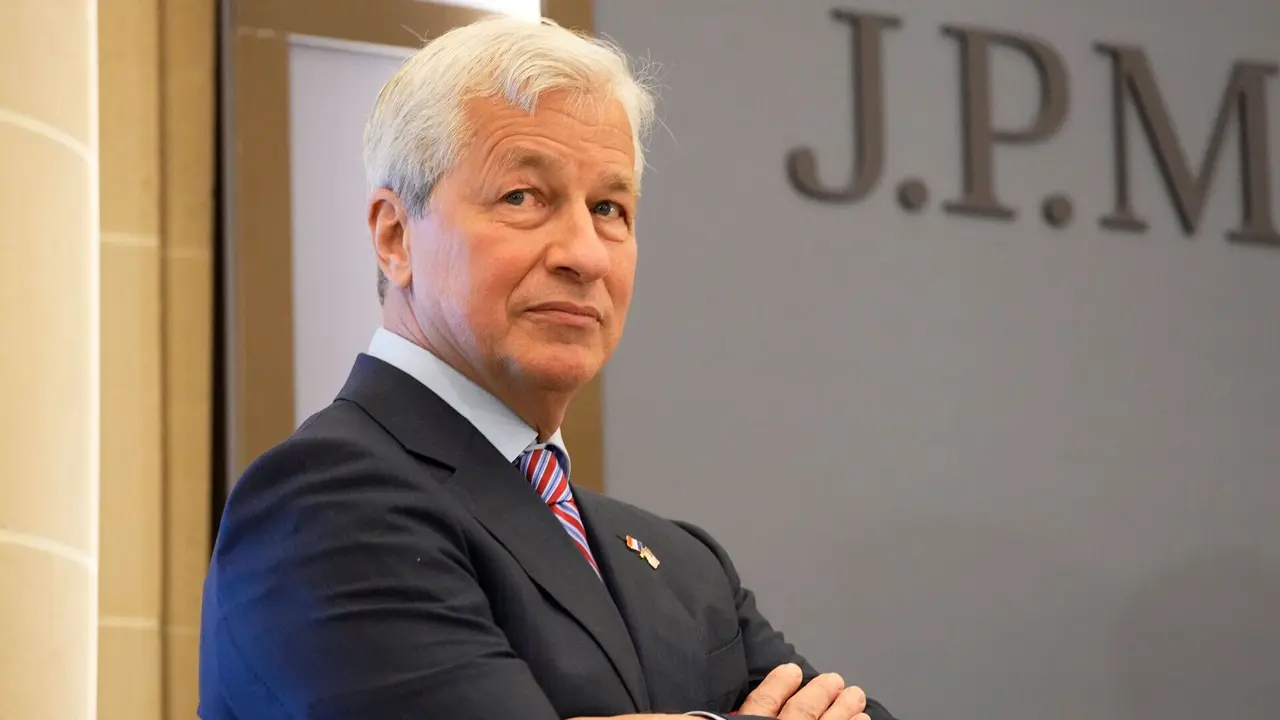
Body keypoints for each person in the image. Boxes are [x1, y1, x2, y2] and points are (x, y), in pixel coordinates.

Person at [198, 15, 899, 720]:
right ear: (394, 234)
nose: (584, 254)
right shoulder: (324, 502)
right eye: (523, 198)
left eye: (608, 208)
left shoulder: (683, 566)